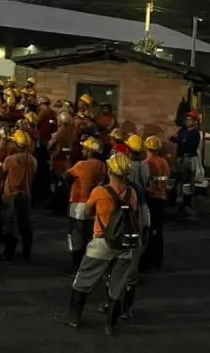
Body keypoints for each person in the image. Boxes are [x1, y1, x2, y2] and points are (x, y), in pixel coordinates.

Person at [65, 153, 139, 335]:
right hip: (125, 245)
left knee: (83, 279)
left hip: (101, 243)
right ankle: (110, 325)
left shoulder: (100, 192)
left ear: (110, 171)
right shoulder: (132, 193)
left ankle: (74, 317)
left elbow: (88, 211)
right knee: (118, 286)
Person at [65, 136, 107, 274]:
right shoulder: (102, 166)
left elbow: (67, 175)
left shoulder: (81, 165)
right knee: (89, 236)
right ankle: (87, 266)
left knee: (75, 235)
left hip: (78, 204)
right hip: (94, 204)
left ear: (89, 151)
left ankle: (75, 267)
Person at [0, 130, 37, 262]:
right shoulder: (33, 160)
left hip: (11, 196)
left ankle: (8, 255)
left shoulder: (11, 159)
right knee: (25, 225)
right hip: (26, 195)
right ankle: (27, 254)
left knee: (11, 226)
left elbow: (2, 171)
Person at [140, 135, 169, 272]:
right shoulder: (164, 162)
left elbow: (145, 182)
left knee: (149, 230)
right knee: (158, 230)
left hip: (151, 198)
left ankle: (148, 260)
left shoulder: (147, 163)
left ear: (147, 148)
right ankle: (158, 259)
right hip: (162, 198)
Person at [170, 108, 201, 216]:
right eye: (187, 119)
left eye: (190, 119)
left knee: (187, 182)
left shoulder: (195, 134)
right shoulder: (182, 130)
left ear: (195, 121)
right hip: (180, 158)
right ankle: (176, 203)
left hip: (188, 159)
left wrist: (179, 140)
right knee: (178, 180)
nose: (188, 121)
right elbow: (174, 138)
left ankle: (186, 205)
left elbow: (187, 145)